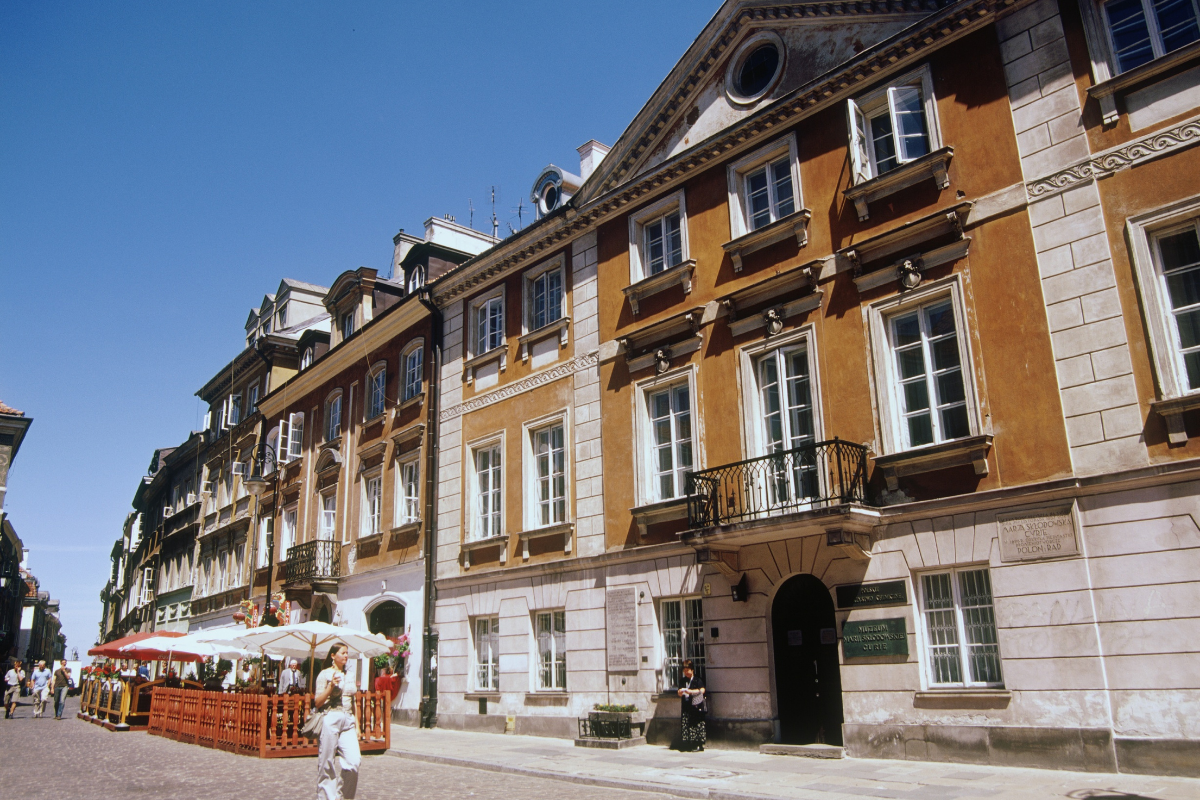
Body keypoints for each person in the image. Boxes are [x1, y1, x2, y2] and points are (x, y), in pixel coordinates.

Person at [313, 642, 360, 800]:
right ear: (333, 656)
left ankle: (343, 797)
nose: (346, 656)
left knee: (354, 762)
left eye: (347, 653)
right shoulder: (324, 674)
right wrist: (330, 687)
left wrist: (358, 726)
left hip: (348, 720)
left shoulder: (350, 675)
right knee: (327, 764)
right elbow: (317, 702)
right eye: (343, 653)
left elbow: (354, 702)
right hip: (330, 717)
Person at [676, 659, 707, 752]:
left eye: (687, 670)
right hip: (686, 707)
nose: (686, 672)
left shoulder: (697, 679)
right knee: (687, 724)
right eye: (684, 670)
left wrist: (691, 692)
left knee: (697, 725)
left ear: (692, 670)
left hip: (696, 707)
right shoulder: (683, 680)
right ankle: (688, 744)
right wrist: (681, 692)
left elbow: (702, 690)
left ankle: (698, 744)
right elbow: (679, 692)